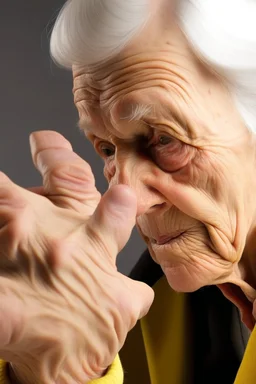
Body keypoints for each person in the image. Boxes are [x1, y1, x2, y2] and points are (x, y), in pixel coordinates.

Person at [1, 0, 256, 382]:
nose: (127, 199)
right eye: (106, 149)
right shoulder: (155, 311)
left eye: (166, 140)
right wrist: (65, 366)